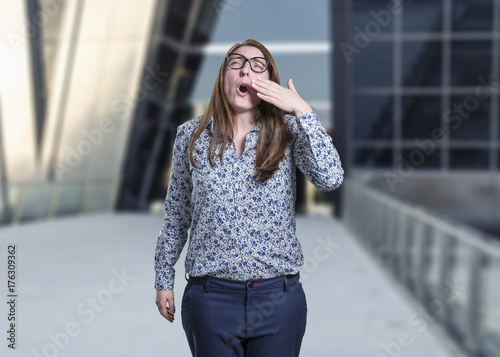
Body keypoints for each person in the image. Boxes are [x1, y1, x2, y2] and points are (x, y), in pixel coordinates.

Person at [154, 39, 343, 357]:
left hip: (278, 300)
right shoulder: (191, 135)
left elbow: (331, 178)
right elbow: (176, 212)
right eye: (236, 62)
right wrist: (163, 275)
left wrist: (303, 111)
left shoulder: (289, 131)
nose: (246, 69)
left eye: (258, 65)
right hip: (210, 298)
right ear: (223, 76)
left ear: (269, 82)